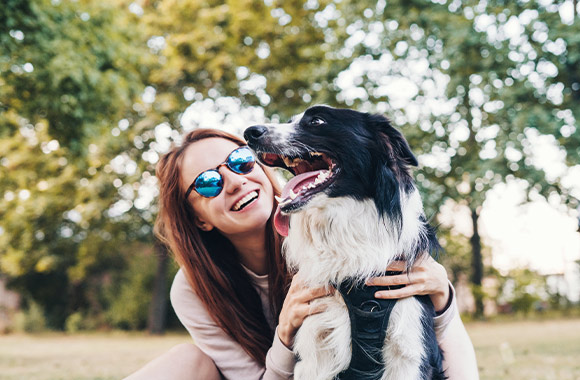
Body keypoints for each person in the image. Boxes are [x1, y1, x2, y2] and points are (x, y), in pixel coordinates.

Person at [125, 128, 478, 380]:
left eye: (240, 161)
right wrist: (284, 335)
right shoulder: (193, 289)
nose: (234, 181)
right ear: (197, 219)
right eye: (208, 183)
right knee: (187, 360)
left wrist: (442, 298)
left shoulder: (336, 225)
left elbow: (425, 343)